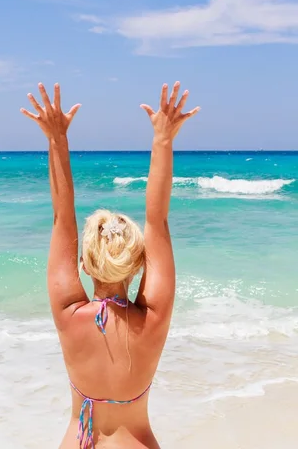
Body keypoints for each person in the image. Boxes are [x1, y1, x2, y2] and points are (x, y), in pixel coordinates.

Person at [21, 82, 200, 449]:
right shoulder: (151, 320)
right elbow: (158, 220)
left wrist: (57, 139)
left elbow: (61, 219)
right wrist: (163, 140)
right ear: (137, 265)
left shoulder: (70, 315)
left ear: (83, 264)